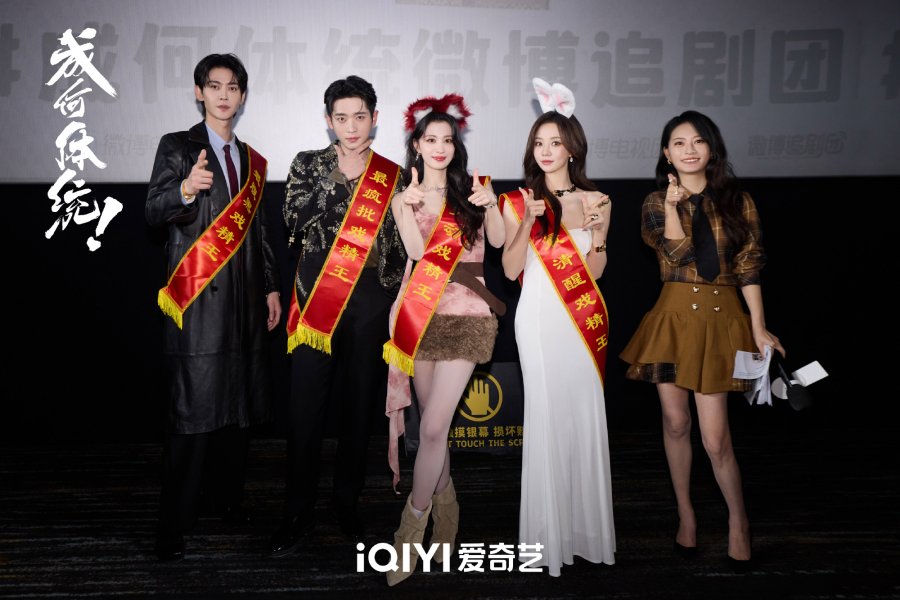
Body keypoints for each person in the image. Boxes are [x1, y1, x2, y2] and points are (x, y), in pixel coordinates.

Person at [620, 110, 785, 566]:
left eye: (698, 141)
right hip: (673, 317)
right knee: (675, 423)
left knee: (715, 438)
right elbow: (675, 252)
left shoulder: (738, 201)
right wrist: (675, 206)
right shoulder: (656, 202)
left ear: (712, 149)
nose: (689, 150)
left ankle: (738, 520)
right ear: (666, 153)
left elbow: (749, 265)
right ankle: (686, 515)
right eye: (679, 143)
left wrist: (758, 325)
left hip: (721, 316)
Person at [146, 53, 280, 561]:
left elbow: (260, 231)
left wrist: (270, 287)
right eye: (214, 86)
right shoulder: (178, 146)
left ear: (242, 96)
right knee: (192, 412)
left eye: (233, 87)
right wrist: (184, 189)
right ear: (199, 92)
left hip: (244, 305)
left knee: (236, 410)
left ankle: (225, 500)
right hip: (198, 302)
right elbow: (153, 211)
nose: (224, 95)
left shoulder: (251, 159)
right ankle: (173, 523)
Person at [271, 75, 406, 555]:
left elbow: (401, 245)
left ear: (375, 118)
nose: (351, 127)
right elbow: (294, 219)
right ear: (329, 121)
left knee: (358, 408)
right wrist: (339, 182)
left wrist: (390, 294)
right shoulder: (308, 163)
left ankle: (347, 503)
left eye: (360, 117)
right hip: (317, 300)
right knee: (304, 411)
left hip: (370, 301)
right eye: (342, 118)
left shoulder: (393, 175)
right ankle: (297, 511)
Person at [383, 94, 505, 586]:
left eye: (447, 140)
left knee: (433, 429)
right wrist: (406, 207)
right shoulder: (404, 197)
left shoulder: (473, 192)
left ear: (456, 146)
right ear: (416, 145)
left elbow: (498, 243)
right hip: (421, 315)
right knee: (432, 429)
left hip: (468, 315)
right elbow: (416, 251)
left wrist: (491, 206)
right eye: (430, 139)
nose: (439, 147)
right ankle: (448, 509)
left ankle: (409, 531)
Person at [500, 78, 616, 577]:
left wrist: (599, 233)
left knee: (584, 416)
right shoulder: (519, 201)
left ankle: (586, 534)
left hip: (580, 319)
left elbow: (595, 273)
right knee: (547, 417)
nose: (546, 151)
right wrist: (528, 222)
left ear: (573, 148)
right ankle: (547, 539)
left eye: (555, 142)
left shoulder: (597, 200)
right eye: (538, 143)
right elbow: (510, 270)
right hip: (538, 318)